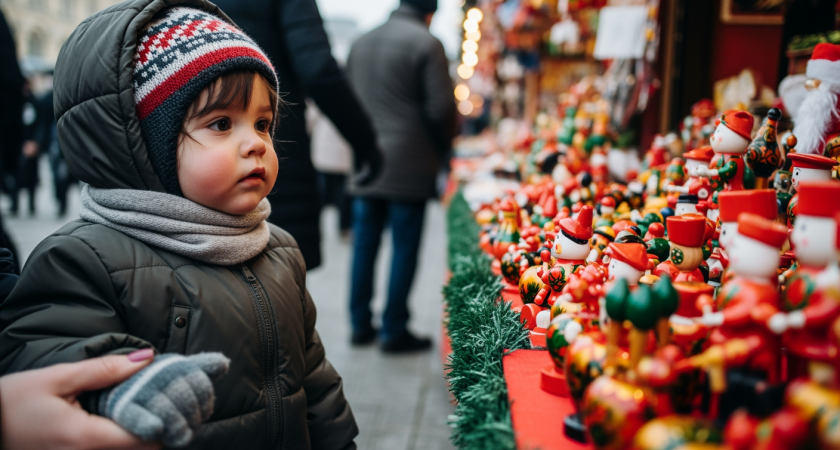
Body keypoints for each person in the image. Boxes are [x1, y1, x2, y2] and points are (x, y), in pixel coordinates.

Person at [0, 3, 356, 449]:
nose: (256, 145)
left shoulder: (279, 249)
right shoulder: (84, 258)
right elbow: (44, 353)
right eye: (222, 123)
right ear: (149, 148)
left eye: (263, 124)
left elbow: (316, 381)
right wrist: (117, 391)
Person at [210, 0, 383, 270]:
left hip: (202, 163)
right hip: (277, 161)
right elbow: (319, 71)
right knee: (281, 285)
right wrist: (366, 143)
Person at [346, 0, 457, 352]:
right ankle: (394, 328)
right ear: (430, 12)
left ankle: (359, 323)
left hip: (367, 161)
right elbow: (441, 109)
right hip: (410, 163)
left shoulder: (361, 41)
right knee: (404, 247)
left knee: (365, 244)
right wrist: (445, 149)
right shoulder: (427, 43)